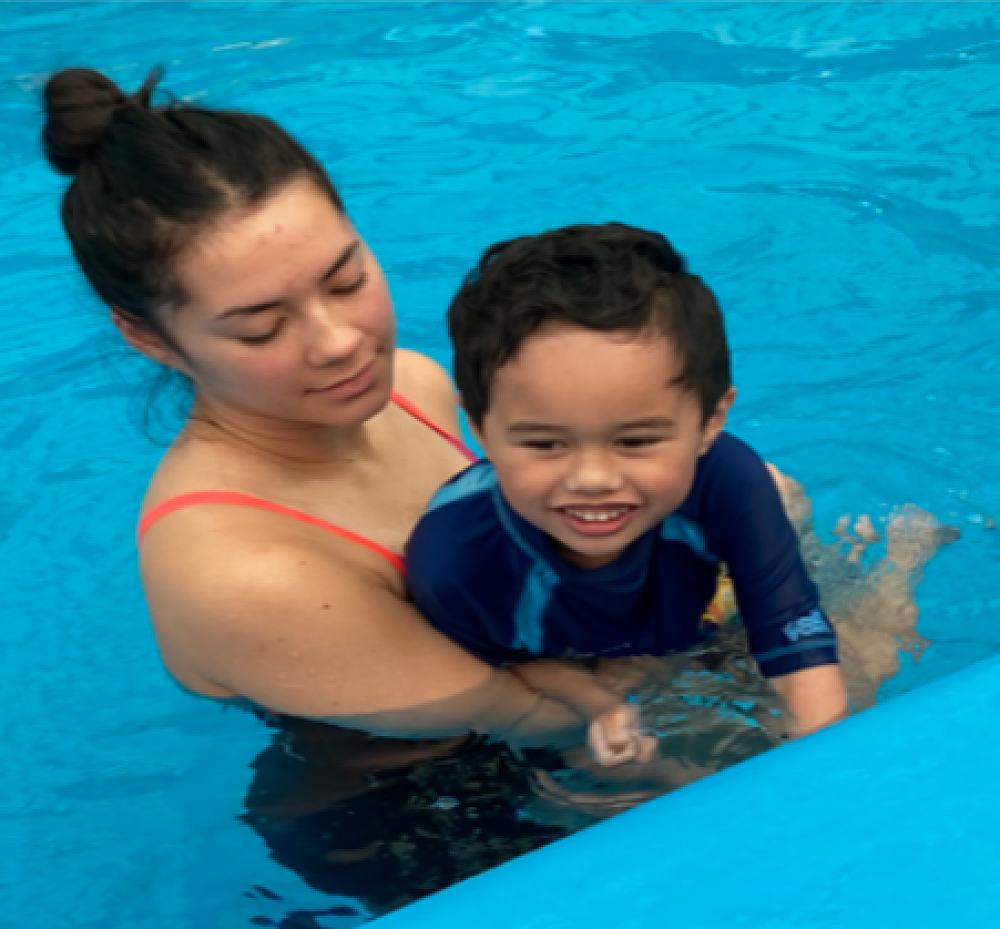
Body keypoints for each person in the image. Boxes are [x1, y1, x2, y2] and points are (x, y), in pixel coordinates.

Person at [41, 66, 599, 751]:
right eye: (261, 328)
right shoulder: (240, 572)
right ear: (149, 337)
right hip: (408, 797)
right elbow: (537, 723)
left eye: (346, 280)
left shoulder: (412, 385)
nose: (340, 342)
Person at [406, 223, 850, 742]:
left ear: (711, 420)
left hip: (706, 583)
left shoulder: (728, 480)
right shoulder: (457, 560)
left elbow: (795, 645)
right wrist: (599, 705)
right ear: (480, 427)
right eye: (545, 444)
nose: (592, 479)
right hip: (595, 642)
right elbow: (501, 664)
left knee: (863, 648)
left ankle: (791, 514)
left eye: (635, 441)